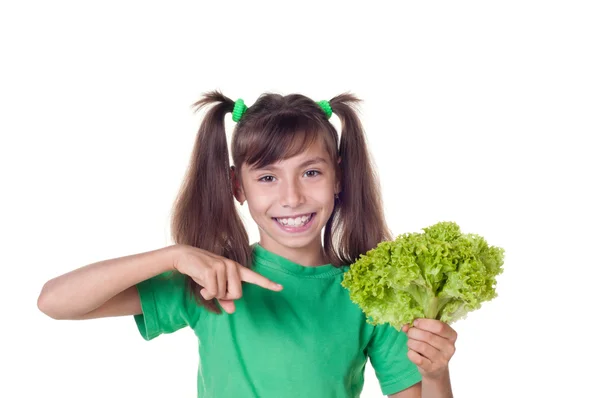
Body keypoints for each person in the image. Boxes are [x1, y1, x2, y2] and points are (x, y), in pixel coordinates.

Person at [38, 91, 458, 397]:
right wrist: (176, 255)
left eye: (311, 172)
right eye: (268, 177)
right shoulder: (208, 281)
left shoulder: (373, 295)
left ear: (340, 177)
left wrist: (436, 374)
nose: (291, 196)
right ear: (238, 186)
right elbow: (55, 302)